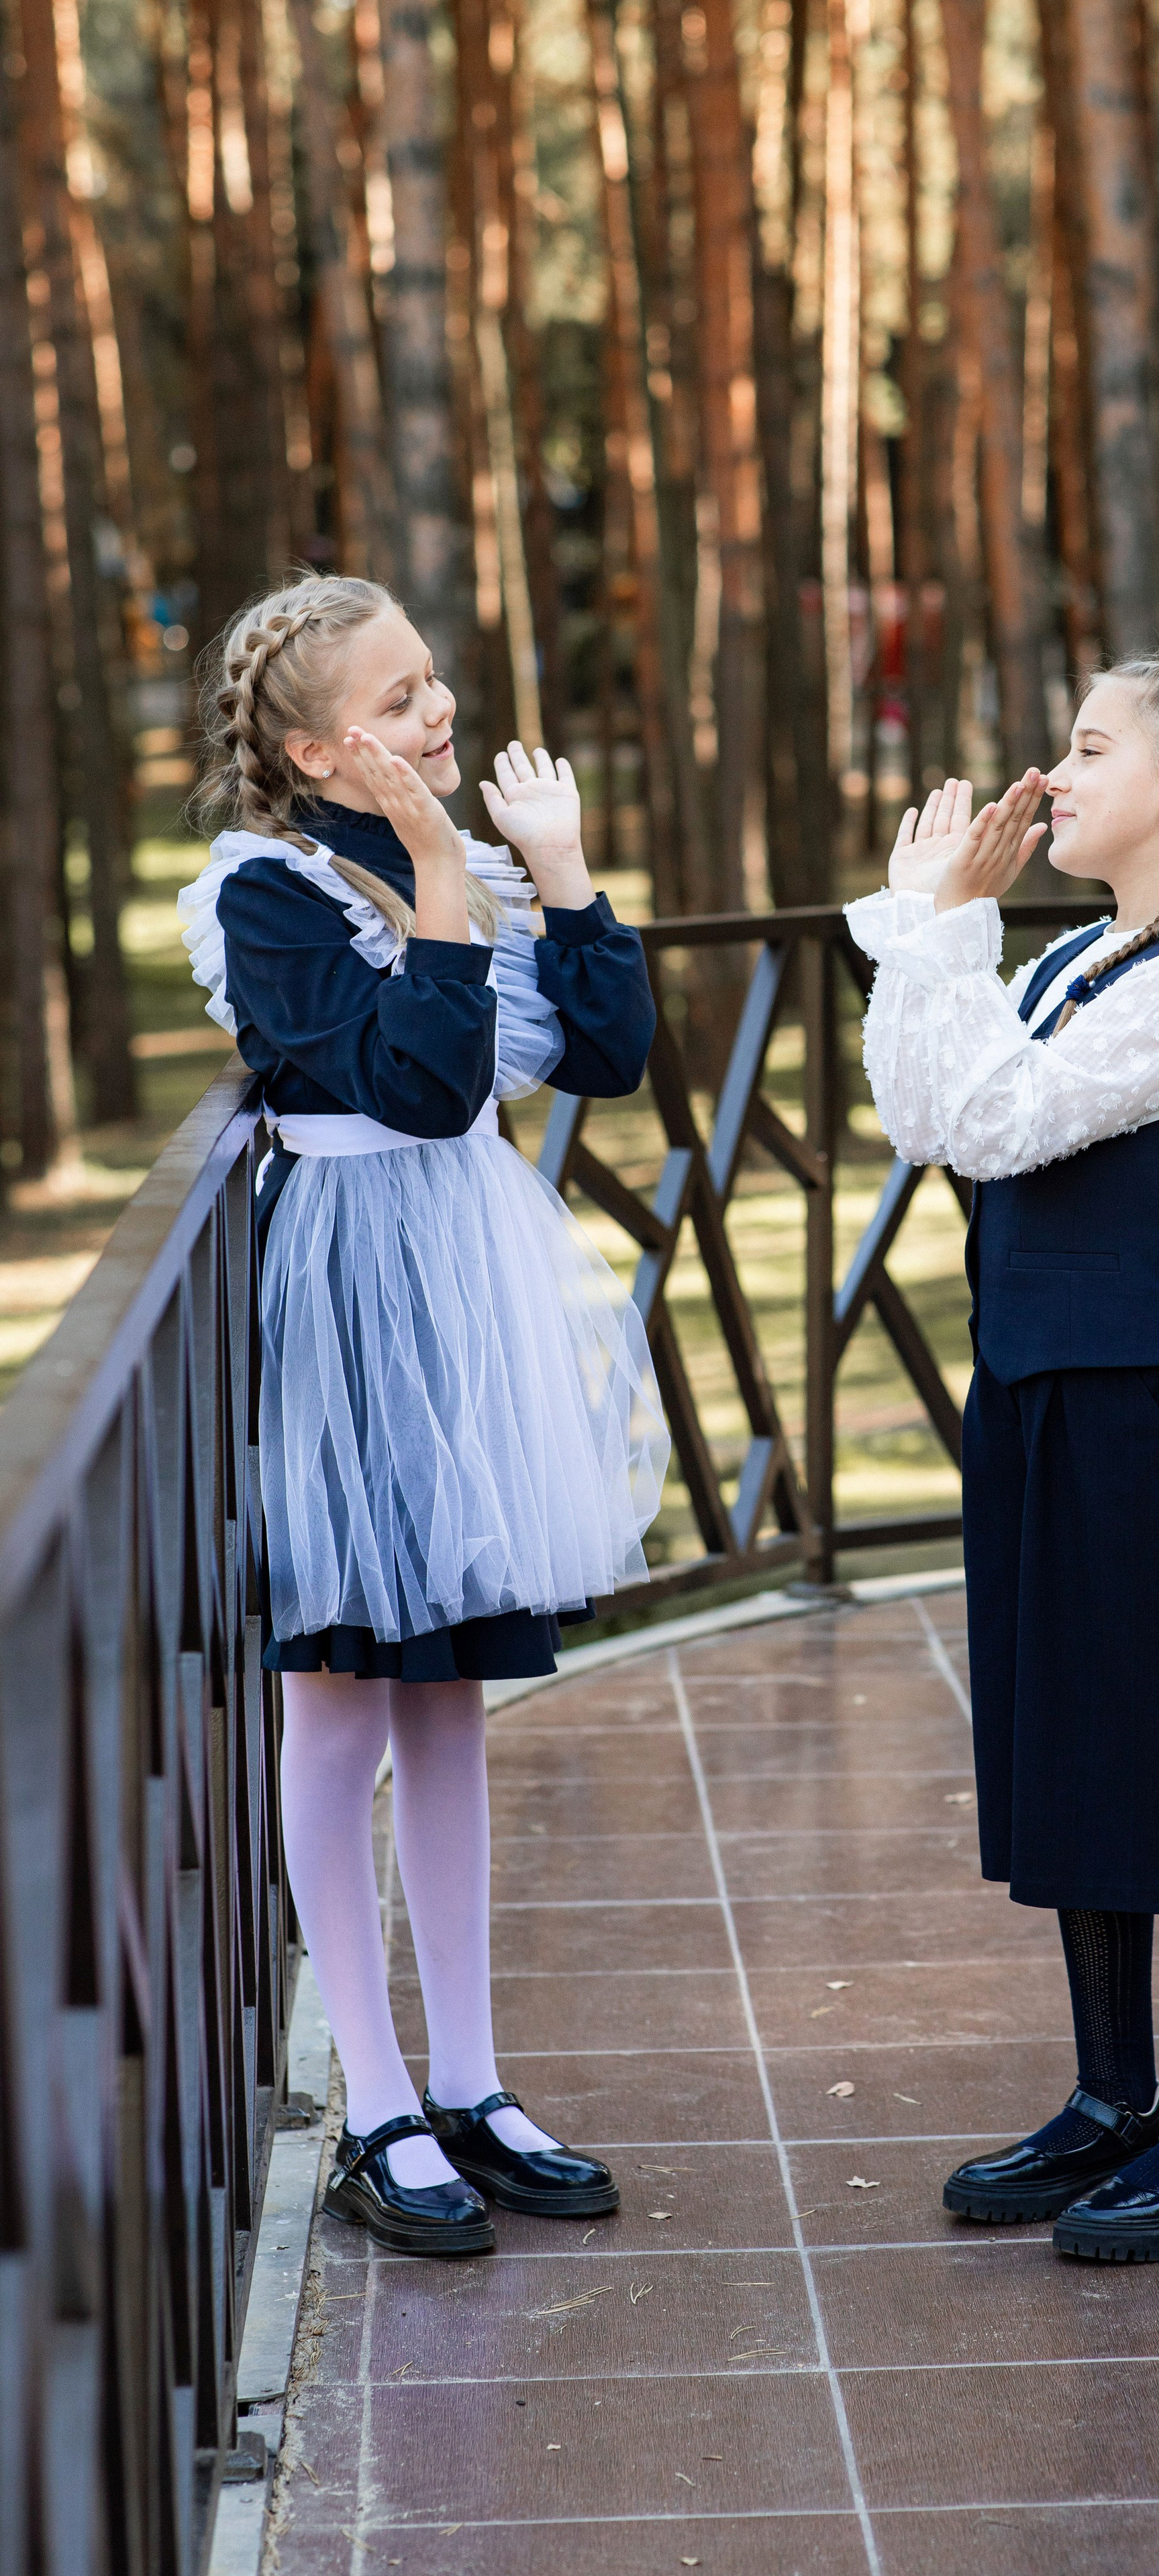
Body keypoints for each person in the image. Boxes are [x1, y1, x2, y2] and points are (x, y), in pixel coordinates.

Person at [181, 574, 668, 2257]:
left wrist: (562, 871)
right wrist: (450, 882)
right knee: (338, 1704)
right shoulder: (264, 891)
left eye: (430, 678)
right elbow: (419, 1082)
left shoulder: (456, 856)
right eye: (395, 701)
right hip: (343, 1297)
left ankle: (470, 2079)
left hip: (465, 1282)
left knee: (451, 1698)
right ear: (318, 751)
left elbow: (607, 1053)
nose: (437, 709)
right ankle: (374, 2101)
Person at [846, 657, 1159, 2263]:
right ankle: (1113, 2095)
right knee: (1079, 1738)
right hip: (1045, 1393)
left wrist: (944, 931)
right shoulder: (1068, 961)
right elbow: (921, 1117)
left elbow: (999, 1125)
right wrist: (935, 928)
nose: (1055, 771)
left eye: (1091, 746)